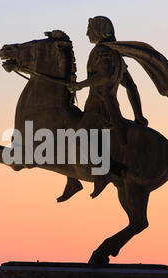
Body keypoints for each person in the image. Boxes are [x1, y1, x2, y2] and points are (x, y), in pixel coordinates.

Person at [58, 16, 148, 202]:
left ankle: (103, 174)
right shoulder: (117, 56)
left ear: (99, 30)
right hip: (110, 109)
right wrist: (138, 115)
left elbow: (104, 76)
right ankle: (73, 181)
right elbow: (131, 87)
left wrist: (80, 85)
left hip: (98, 109)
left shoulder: (101, 51)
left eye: (90, 29)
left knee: (73, 137)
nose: (87, 33)